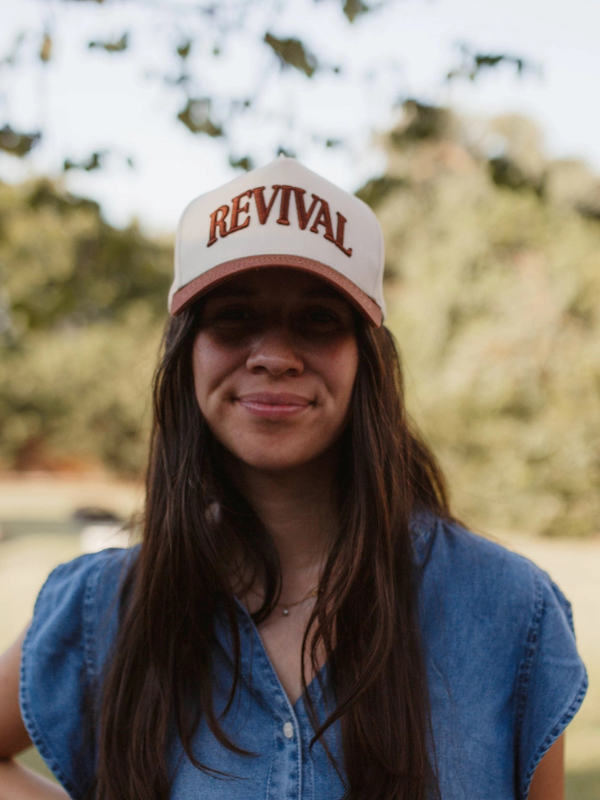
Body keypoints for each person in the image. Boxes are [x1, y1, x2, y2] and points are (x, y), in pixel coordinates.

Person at [0, 156, 588, 800]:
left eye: (317, 320)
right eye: (233, 317)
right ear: (187, 352)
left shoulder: (507, 611)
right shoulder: (105, 607)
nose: (274, 356)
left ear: (366, 360)